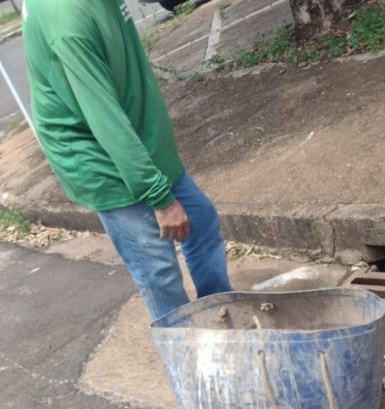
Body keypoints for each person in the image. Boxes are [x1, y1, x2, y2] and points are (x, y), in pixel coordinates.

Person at [22, 0, 233, 321]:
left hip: (140, 140)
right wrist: (161, 199)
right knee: (159, 272)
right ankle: (187, 359)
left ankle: (223, 319)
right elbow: (105, 119)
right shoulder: (66, 21)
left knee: (201, 223)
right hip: (101, 158)